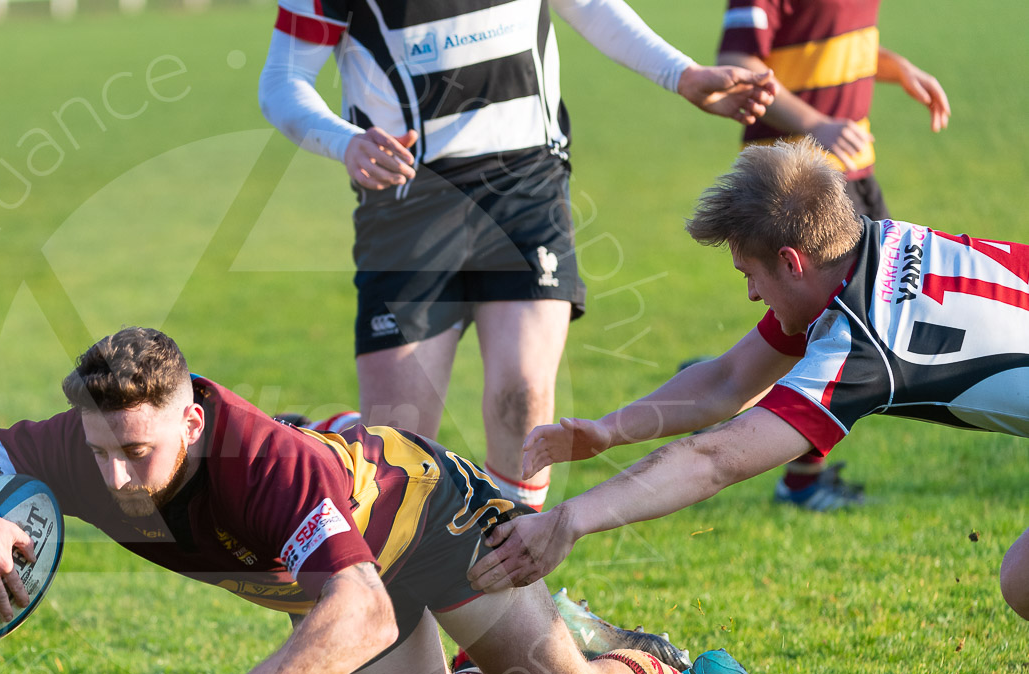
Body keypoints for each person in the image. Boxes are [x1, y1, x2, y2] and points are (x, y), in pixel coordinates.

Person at [0, 327, 815, 674]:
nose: (117, 477)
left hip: (433, 528)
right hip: (337, 582)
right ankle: (491, 665)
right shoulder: (68, 444)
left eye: (139, 452)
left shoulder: (259, 465)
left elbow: (360, 611)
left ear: (192, 420)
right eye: (101, 453)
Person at [472, 138, 1029, 623]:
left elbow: (715, 459)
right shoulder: (874, 246)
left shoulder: (863, 342)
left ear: (791, 262)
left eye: (751, 274)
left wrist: (568, 520)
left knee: (1022, 580)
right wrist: (608, 431)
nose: (751, 294)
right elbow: (728, 379)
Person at [257, 0, 777, 514]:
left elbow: (588, 5)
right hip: (407, 200)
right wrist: (346, 142)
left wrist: (682, 74)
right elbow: (282, 81)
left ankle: (513, 558)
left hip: (525, 183)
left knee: (523, 394)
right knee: (396, 446)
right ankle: (327, 436)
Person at [716, 0, 951, 511]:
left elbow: (838, 46)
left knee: (856, 328)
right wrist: (815, 122)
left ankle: (741, 398)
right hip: (793, 186)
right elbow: (738, 64)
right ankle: (791, 467)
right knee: (828, 335)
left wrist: (896, 68)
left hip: (852, 171)